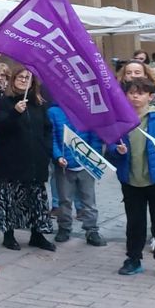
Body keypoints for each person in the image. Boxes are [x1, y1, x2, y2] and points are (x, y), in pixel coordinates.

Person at [0, 67, 56, 252]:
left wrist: (46, 150)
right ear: (13, 80)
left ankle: (37, 234)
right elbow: (1, 126)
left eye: (28, 77)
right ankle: (9, 235)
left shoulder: (39, 104)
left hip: (35, 159)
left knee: (36, 199)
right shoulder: (4, 103)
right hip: (11, 160)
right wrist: (15, 112)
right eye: (20, 77)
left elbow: (47, 129)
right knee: (10, 199)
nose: (24, 80)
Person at [109, 78, 155, 277]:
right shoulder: (121, 122)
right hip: (131, 181)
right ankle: (133, 259)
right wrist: (118, 150)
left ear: (150, 96)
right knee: (135, 222)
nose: (135, 96)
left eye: (140, 93)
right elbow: (110, 148)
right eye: (131, 92)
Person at [48, 103, 106, 246]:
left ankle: (91, 230)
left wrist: (93, 157)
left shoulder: (88, 111)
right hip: (64, 164)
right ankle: (64, 228)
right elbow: (52, 137)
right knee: (64, 200)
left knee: (89, 200)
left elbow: (95, 137)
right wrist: (57, 156)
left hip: (85, 164)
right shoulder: (53, 112)